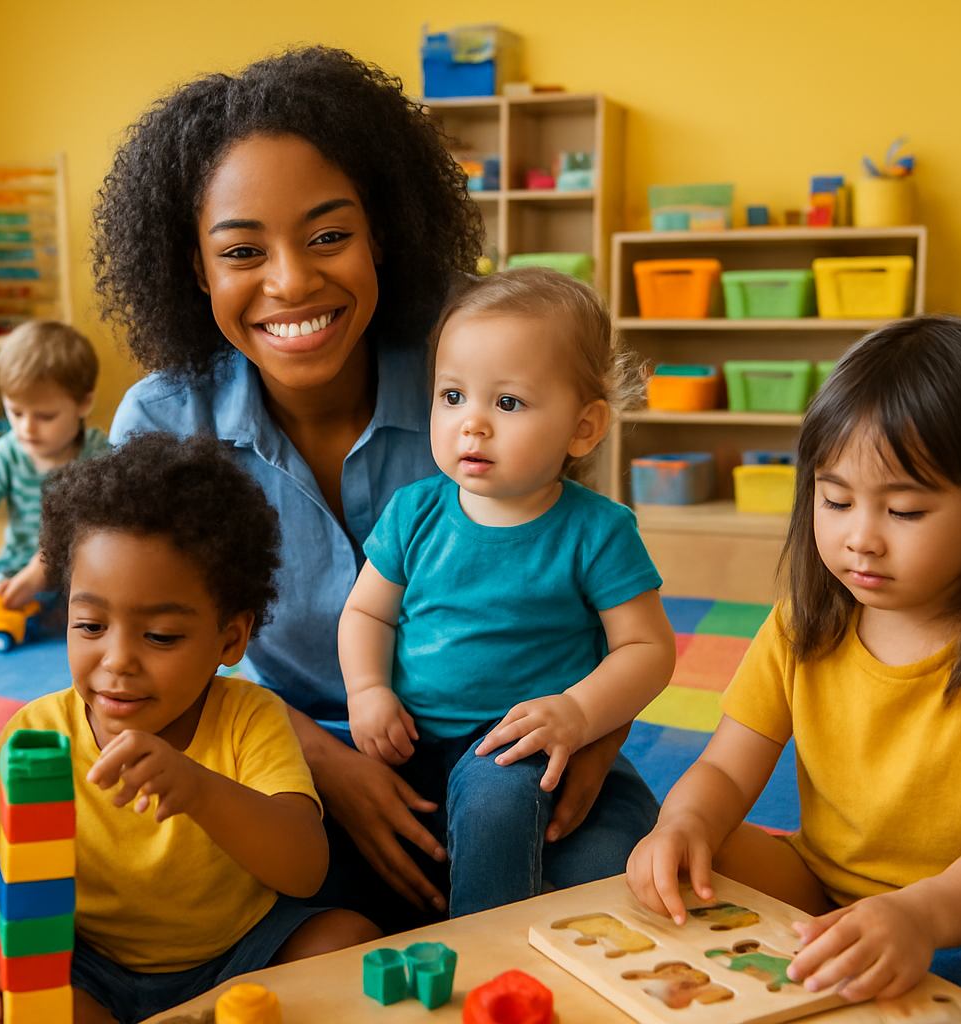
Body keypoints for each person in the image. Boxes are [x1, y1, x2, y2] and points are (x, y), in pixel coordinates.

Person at [97, 45, 658, 931]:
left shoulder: (482, 365)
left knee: (609, 885)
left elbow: (583, 577)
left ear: (383, 232)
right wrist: (323, 762)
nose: (291, 281)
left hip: (514, 735)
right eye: (243, 251)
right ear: (195, 268)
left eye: (329, 235)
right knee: (229, 911)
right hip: (287, 756)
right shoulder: (167, 427)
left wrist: (599, 726)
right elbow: (134, 658)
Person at [626, 316, 961, 1024]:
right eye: (836, 500)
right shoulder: (801, 623)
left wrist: (920, 917)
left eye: (904, 510)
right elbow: (725, 771)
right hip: (823, 891)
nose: (860, 539)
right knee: (675, 852)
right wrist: (683, 824)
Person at [0, 432, 378, 1024]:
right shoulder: (38, 735)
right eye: (89, 625)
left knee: (349, 941)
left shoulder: (250, 717)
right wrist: (3, 957)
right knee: (18, 1011)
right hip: (89, 968)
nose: (118, 660)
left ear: (230, 638)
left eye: (161, 637)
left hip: (238, 956)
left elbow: (305, 870)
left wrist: (200, 790)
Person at [340, 268, 675, 917]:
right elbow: (366, 614)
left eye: (509, 403)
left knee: (545, 828)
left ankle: (488, 958)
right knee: (345, 855)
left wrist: (577, 712)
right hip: (414, 750)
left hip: (525, 749)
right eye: (452, 396)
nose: (473, 425)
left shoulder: (596, 530)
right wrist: (367, 690)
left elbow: (648, 649)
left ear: (584, 428)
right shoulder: (415, 513)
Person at [0, 319, 110, 610]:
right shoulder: (8, 452)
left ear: (84, 404)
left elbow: (100, 531)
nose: (26, 428)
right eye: (16, 412)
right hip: (17, 569)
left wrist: (40, 572)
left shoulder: (98, 454)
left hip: (86, 572)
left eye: (45, 416)